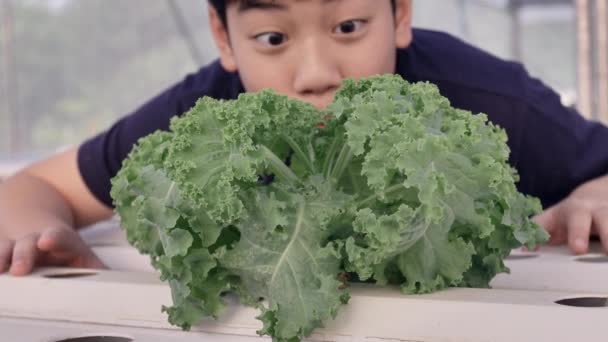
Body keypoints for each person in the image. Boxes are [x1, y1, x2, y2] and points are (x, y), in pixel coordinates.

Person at [1, 0, 607, 277]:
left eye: (348, 25)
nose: (316, 73)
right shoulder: (207, 112)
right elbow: (30, 185)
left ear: (400, 16)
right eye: (272, 37)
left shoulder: (490, 100)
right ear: (222, 35)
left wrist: (593, 194)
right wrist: (35, 231)